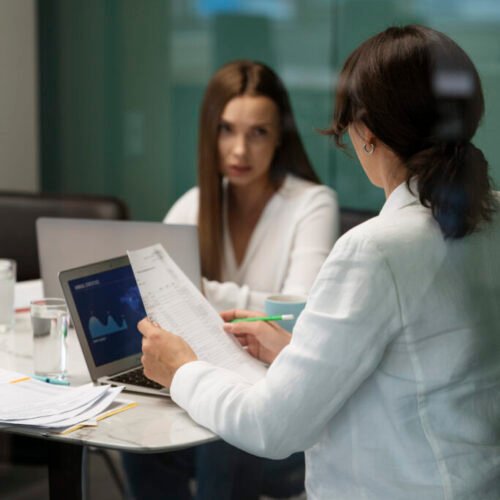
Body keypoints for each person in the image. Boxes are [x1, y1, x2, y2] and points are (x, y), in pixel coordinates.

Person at [139, 25, 500, 499]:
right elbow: (422, 366)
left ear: (366, 134)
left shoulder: (374, 250)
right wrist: (297, 350)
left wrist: (181, 368)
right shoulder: (490, 215)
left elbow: (270, 428)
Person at [123, 60, 338, 499]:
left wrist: (197, 293)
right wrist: (200, 295)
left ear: (280, 137)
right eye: (226, 130)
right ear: (210, 134)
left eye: (258, 132)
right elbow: (150, 295)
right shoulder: (195, 203)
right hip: (203, 398)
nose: (239, 150)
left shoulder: (313, 204)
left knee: (226, 440)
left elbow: (298, 313)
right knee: (138, 438)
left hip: (277, 416)